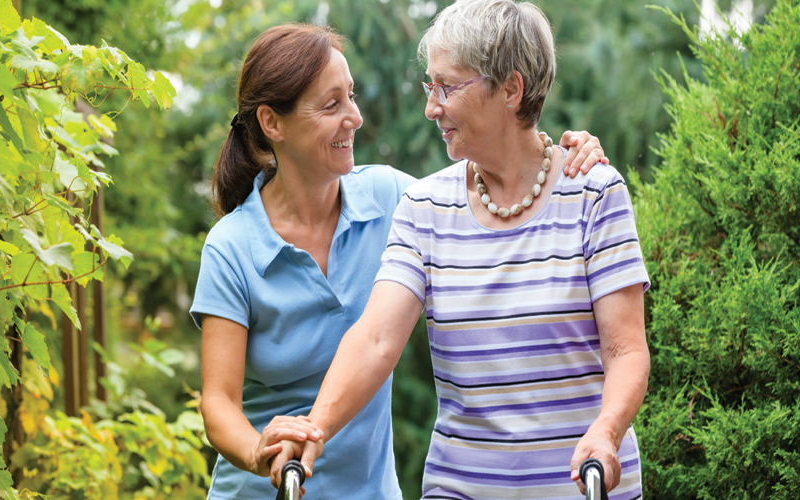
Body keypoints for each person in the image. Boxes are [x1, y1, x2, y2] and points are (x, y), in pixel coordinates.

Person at [190, 22, 609, 500]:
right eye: (332, 105)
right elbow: (218, 403)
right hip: (266, 490)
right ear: (272, 123)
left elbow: (487, 196)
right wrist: (258, 449)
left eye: (351, 96)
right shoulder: (232, 246)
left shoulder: (392, 198)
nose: (355, 117)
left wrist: (558, 158)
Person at [287, 1, 651, 499]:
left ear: (510, 88)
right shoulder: (424, 206)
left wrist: (607, 429)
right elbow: (375, 340)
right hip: (462, 488)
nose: (430, 106)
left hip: (581, 484)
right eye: (428, 85)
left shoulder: (594, 193)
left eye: (447, 86)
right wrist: (315, 430)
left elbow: (626, 350)